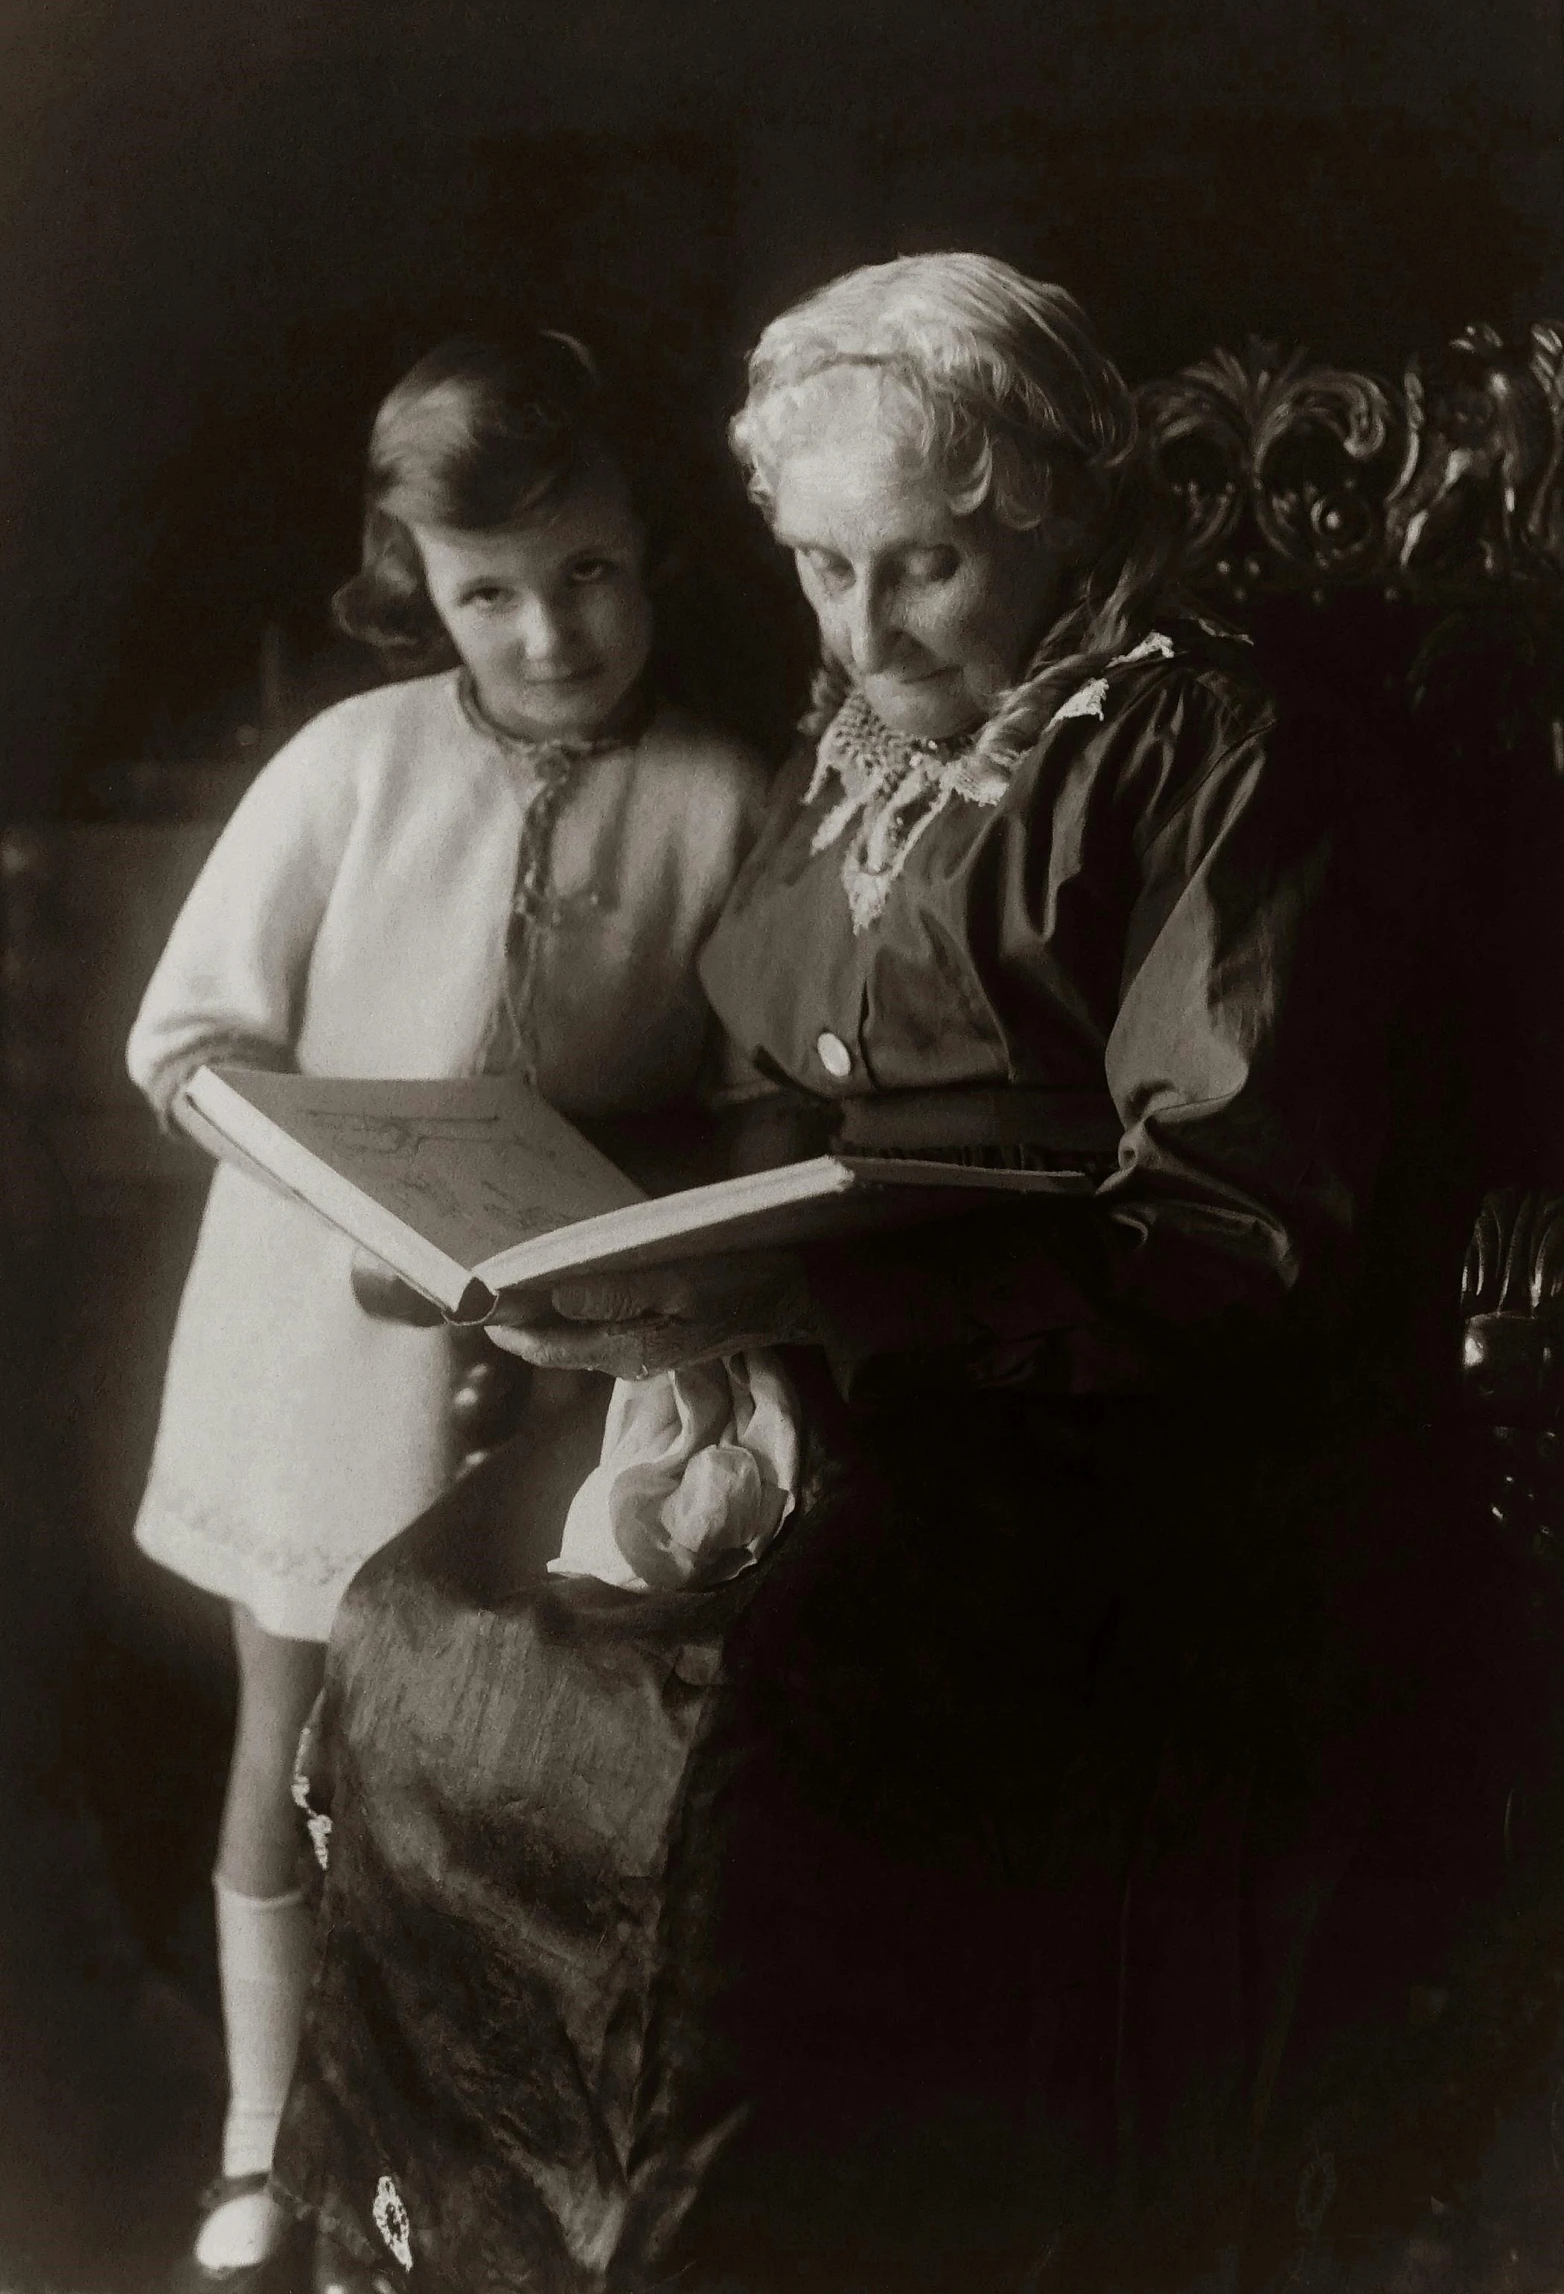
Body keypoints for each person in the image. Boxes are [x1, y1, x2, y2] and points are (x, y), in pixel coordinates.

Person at [273, 256, 1450, 2291]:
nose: (859, 632)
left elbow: (1233, 1236)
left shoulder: (1216, 750)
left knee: (718, 1724)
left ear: (1057, 511)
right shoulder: (862, 743)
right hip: (824, 1358)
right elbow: (763, 1088)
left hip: (1104, 1435)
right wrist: (518, 1239)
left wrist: (804, 1311)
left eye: (920, 567)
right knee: (416, 1621)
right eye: (819, 569)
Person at [125, 327, 769, 2291]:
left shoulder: (724, 795)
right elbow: (189, 1035)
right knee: (288, 1723)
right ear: (417, 586)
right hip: (319, 1335)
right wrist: (325, 1151)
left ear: (644, 546)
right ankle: (257, 2141)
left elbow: (747, 1091)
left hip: (568, 1360)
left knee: (490, 1776)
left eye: (584, 574)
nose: (550, 634)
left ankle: (449, 2141)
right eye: (488, 594)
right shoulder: (349, 765)